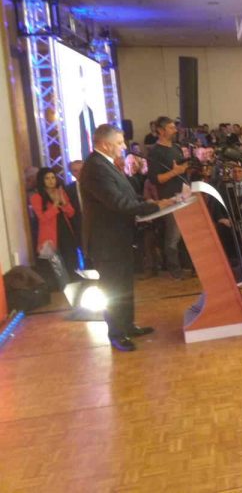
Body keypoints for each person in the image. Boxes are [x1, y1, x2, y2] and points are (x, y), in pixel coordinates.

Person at [80, 124, 173, 351]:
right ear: (105, 144)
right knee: (113, 289)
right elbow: (118, 203)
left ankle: (128, 326)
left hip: (119, 238)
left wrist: (149, 202)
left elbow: (127, 196)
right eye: (120, 143)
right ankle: (117, 334)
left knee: (124, 285)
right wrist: (154, 206)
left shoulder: (106, 164)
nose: (123, 147)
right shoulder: (95, 168)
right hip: (107, 241)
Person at [147, 116, 189, 279]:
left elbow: (181, 170)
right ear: (161, 131)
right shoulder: (155, 152)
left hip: (184, 194)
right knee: (173, 236)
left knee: (186, 234)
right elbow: (155, 179)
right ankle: (174, 270)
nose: (175, 130)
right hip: (170, 198)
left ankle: (187, 266)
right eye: (171, 128)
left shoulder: (176, 147)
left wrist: (187, 168)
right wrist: (175, 172)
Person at [30, 167, 79, 276]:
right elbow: (42, 218)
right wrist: (55, 204)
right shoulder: (36, 197)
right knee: (56, 269)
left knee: (71, 262)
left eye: (53, 177)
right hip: (49, 235)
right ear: (42, 180)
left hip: (65, 230)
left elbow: (71, 213)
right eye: (47, 178)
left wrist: (64, 203)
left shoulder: (61, 192)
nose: (51, 181)